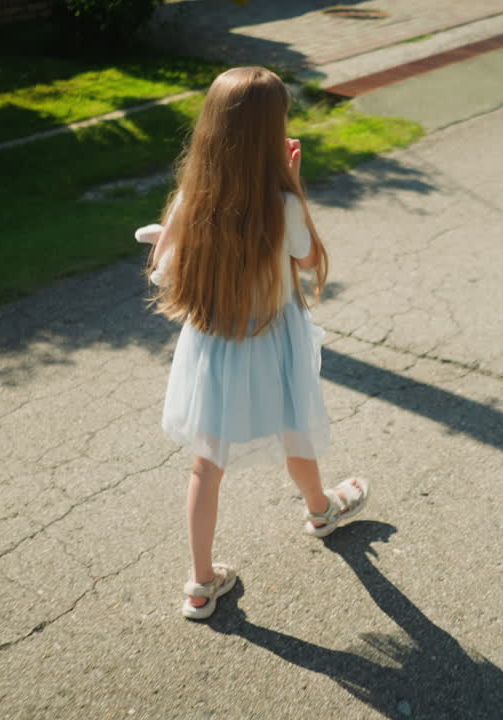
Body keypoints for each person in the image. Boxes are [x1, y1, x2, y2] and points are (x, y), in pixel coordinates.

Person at [138, 67, 369, 620]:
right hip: (273, 338)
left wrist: (164, 238)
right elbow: (308, 258)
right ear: (272, 132)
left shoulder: (193, 198)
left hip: (214, 347)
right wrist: (292, 183)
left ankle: (199, 583)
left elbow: (163, 275)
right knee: (295, 428)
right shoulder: (279, 201)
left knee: (204, 466)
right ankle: (320, 509)